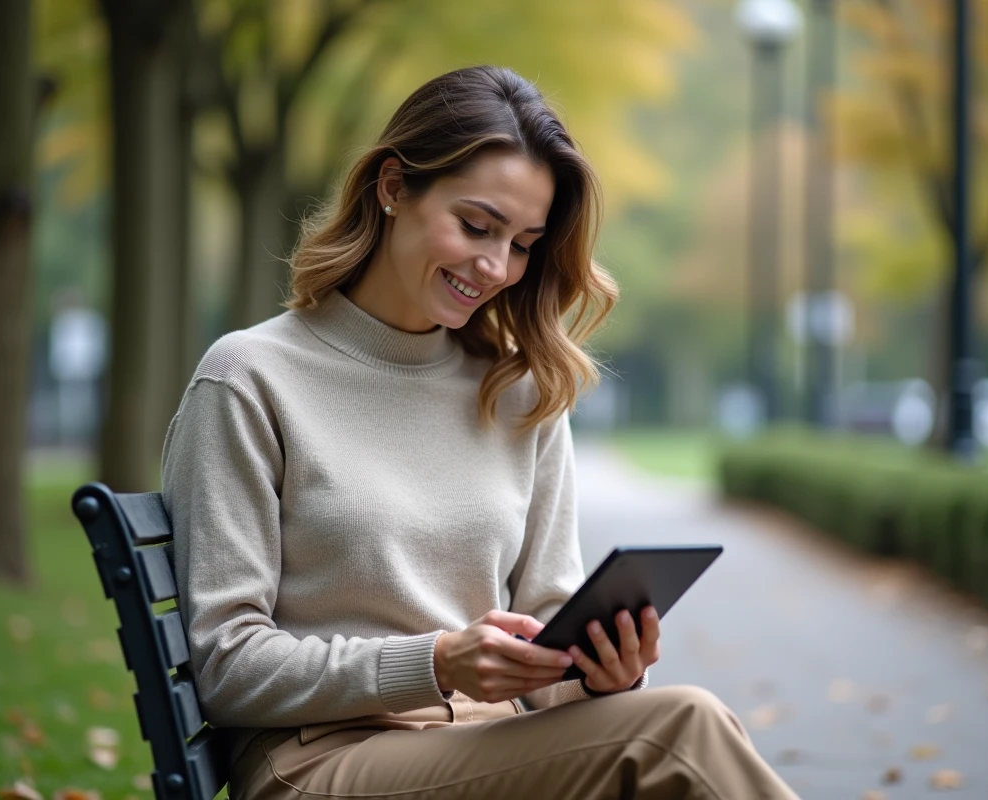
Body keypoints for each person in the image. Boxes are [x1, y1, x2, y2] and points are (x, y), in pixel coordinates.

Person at [162, 65, 798, 800]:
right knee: (682, 732)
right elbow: (224, 664)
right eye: (477, 225)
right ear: (394, 188)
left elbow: (546, 638)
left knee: (668, 721)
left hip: (492, 750)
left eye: (524, 242)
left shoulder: (521, 391)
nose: (497, 266)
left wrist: (600, 673)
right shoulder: (251, 378)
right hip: (320, 762)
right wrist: (433, 663)